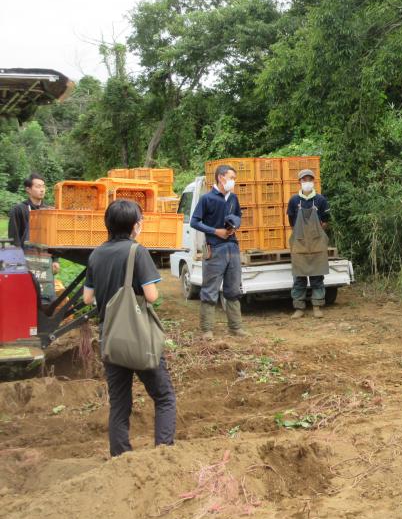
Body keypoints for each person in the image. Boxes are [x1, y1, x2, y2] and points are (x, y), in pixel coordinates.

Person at [83, 199, 176, 457]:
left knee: (119, 403)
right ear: (134, 225)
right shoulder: (137, 251)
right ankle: (164, 454)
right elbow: (152, 295)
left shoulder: (96, 254)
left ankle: (121, 457)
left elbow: (87, 298)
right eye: (140, 221)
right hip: (139, 339)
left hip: (111, 339)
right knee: (164, 396)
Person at [190, 165, 247, 339]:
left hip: (232, 248)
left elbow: (238, 216)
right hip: (214, 249)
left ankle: (235, 328)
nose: (234, 181)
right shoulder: (206, 199)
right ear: (221, 178)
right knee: (210, 290)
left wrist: (234, 226)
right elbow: (194, 221)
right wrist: (216, 231)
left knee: (233, 289)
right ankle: (207, 330)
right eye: (232, 177)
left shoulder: (233, 198)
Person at [287, 168, 331, 319]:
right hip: (299, 245)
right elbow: (292, 223)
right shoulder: (294, 201)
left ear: (313, 181)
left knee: (317, 278)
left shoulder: (320, 200)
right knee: (299, 278)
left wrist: (315, 233)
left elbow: (325, 222)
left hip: (317, 245)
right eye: (304, 180)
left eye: (309, 179)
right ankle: (299, 308)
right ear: (299, 182)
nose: (307, 182)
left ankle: (317, 306)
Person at [8, 173, 60, 274]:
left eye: (43, 186)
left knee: (44, 287)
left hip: (45, 258)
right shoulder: (19, 209)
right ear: (28, 189)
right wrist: (19, 260)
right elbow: (14, 238)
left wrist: (55, 260)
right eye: (38, 186)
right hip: (25, 258)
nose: (42, 189)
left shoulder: (49, 211)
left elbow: (53, 238)